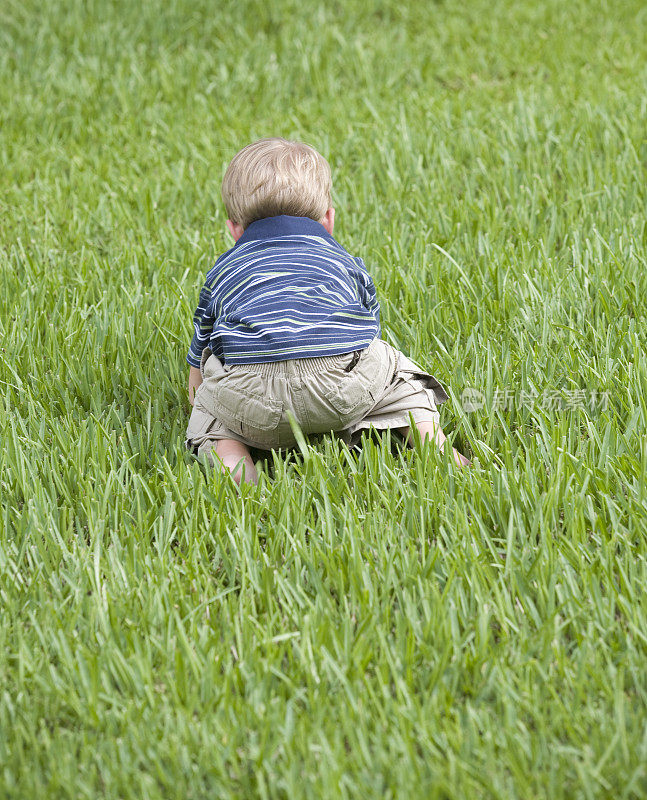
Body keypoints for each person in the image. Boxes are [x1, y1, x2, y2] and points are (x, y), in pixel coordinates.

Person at [186, 138, 471, 484]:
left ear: (234, 230)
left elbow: (202, 343)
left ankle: (241, 476)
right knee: (394, 369)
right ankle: (437, 449)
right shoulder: (345, 262)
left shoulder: (224, 269)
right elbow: (368, 329)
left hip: (253, 401)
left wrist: (201, 395)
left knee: (212, 411)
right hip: (342, 392)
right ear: (328, 221)